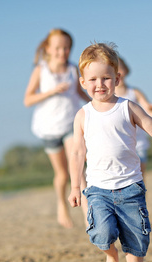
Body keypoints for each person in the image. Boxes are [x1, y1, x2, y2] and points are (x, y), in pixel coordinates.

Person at [68, 42, 152, 262]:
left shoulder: (127, 107)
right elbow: (77, 152)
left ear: (117, 78)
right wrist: (76, 186)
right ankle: (111, 256)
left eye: (106, 78)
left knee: (136, 238)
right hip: (97, 189)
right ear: (83, 82)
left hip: (130, 186)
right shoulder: (83, 115)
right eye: (93, 79)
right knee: (101, 232)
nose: (100, 84)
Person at [24, 28, 90, 229]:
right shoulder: (40, 70)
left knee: (78, 169)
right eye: (58, 48)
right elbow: (28, 99)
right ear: (49, 49)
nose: (63, 52)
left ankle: (89, 216)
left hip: (71, 123)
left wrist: (99, 103)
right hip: (49, 128)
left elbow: (80, 92)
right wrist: (51, 92)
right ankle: (62, 204)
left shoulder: (72, 69)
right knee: (62, 174)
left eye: (67, 48)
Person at [115, 57, 152, 180]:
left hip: (138, 143)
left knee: (140, 178)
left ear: (126, 70)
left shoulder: (134, 92)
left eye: (121, 68)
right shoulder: (109, 97)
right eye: (115, 70)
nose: (119, 73)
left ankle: (141, 199)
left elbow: (149, 112)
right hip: (119, 144)